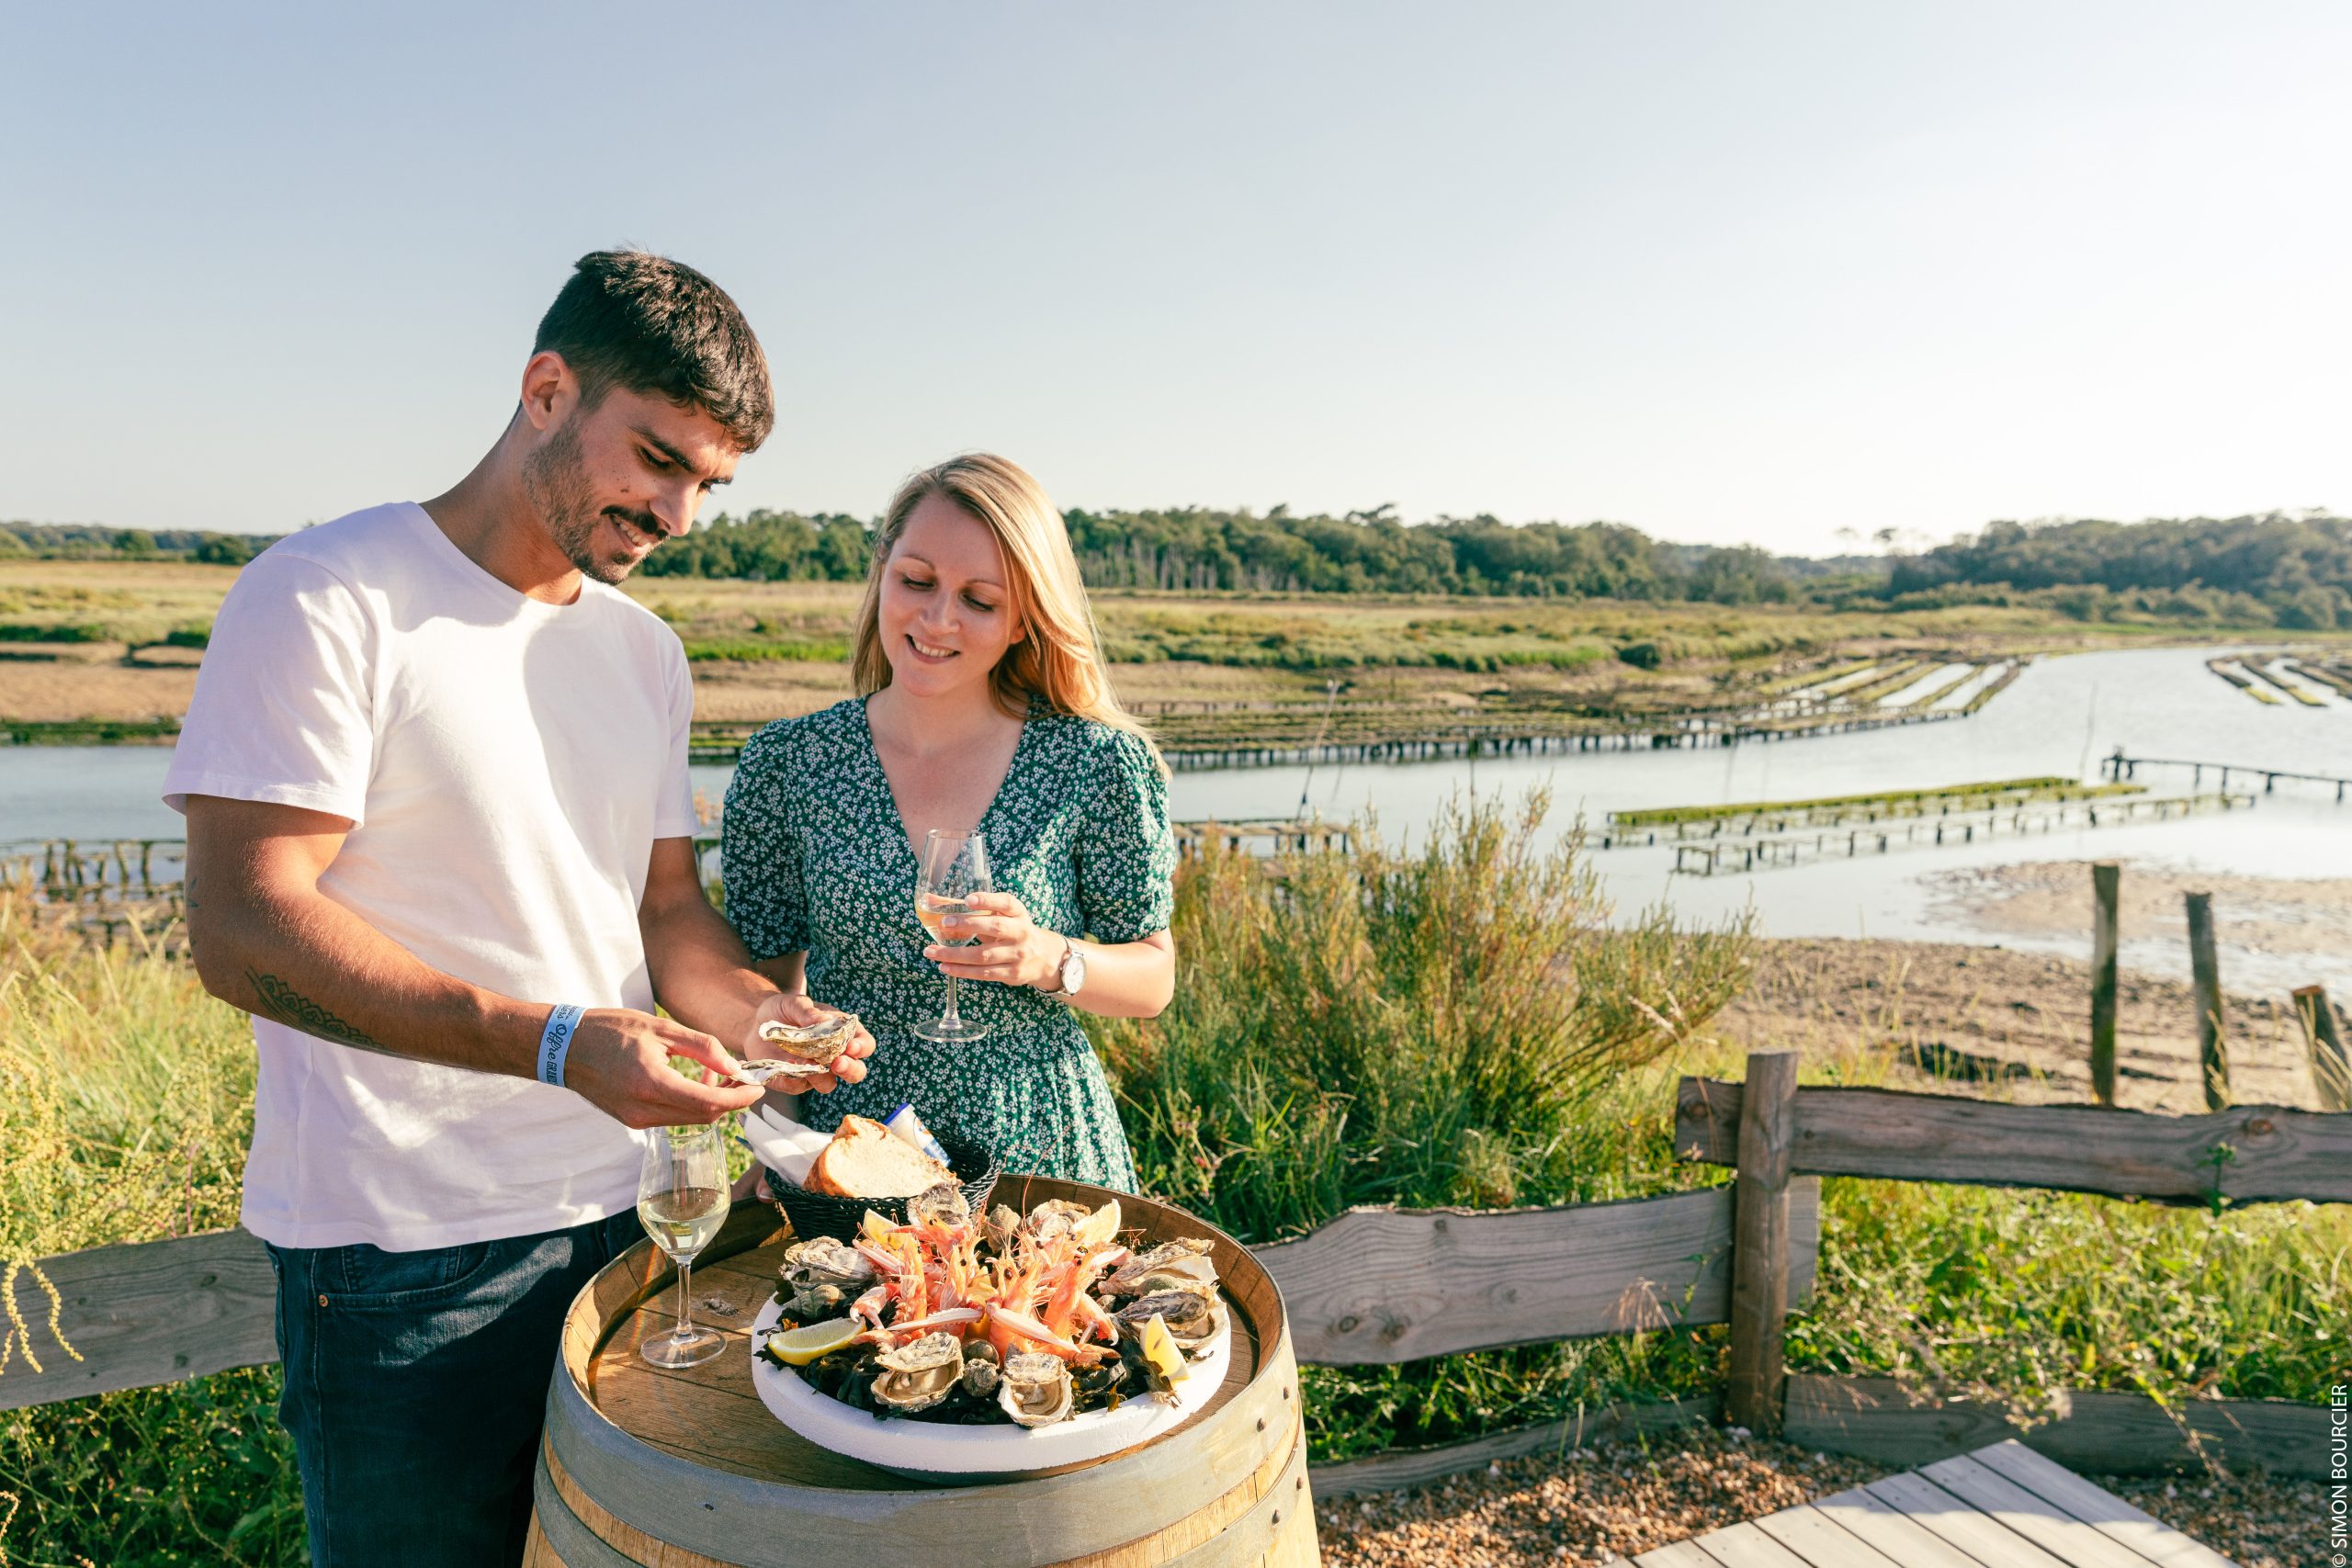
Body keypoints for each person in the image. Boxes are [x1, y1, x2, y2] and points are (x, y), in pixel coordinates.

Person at [169, 250, 873, 1567]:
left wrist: (761, 1015)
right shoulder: (327, 595)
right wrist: (557, 1044)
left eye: (708, 484)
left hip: (637, 1227)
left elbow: (665, 908)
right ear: (546, 389)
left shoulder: (643, 651)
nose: (678, 512)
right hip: (406, 1262)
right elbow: (244, 929)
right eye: (656, 459)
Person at [721, 454, 1177, 1190]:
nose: (937, 619)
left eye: (979, 599)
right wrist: (774, 1150)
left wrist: (1049, 957)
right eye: (917, 581)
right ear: (883, 571)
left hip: (1041, 1149)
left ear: (1024, 619)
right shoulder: (787, 763)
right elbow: (771, 1000)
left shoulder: (1096, 761)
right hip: (854, 1154)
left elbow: (1154, 977)